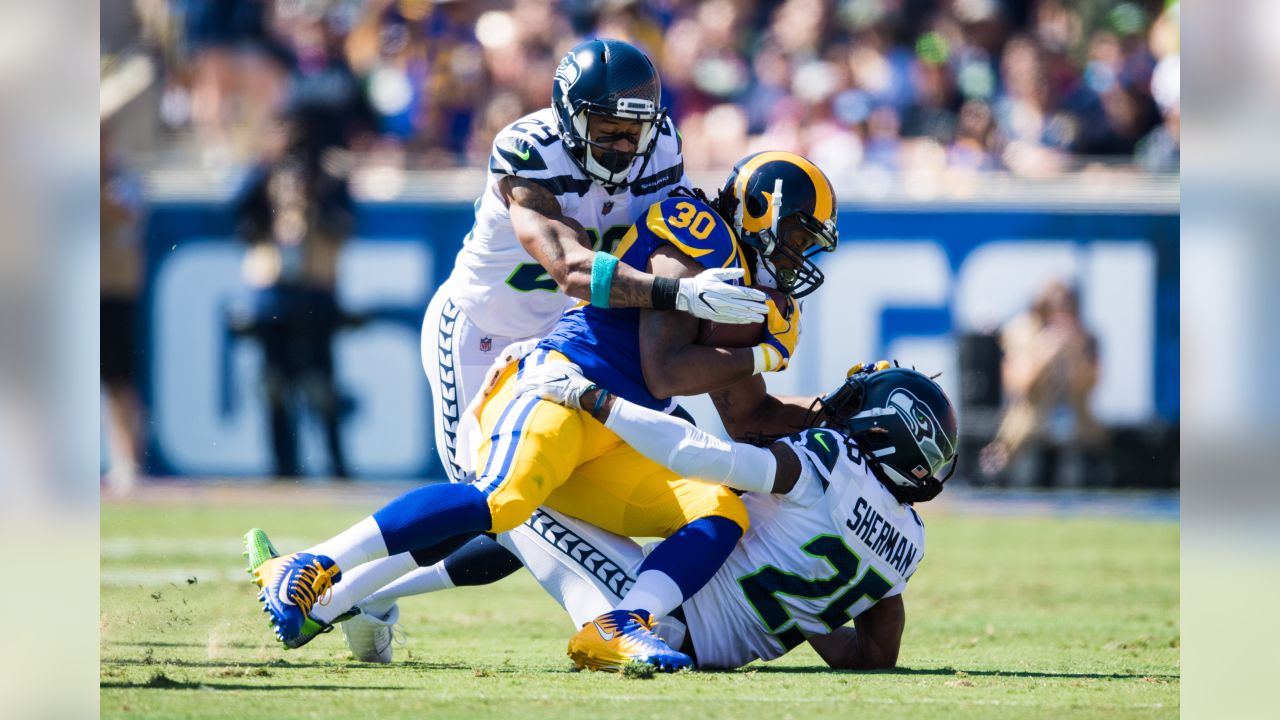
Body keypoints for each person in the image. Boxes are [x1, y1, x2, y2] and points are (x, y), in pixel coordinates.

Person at [245, 150, 839, 672]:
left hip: (617, 429)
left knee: (718, 508)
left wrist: (836, 412)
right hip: (563, 386)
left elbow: (747, 417)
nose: (798, 254)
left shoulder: (750, 287)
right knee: (501, 501)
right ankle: (315, 564)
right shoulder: (700, 229)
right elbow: (666, 370)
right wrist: (764, 351)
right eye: (796, 235)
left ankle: (619, 626)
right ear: (762, 211)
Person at [355, 361, 959, 670]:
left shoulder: (828, 461)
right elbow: (868, 657)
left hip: (643, 616)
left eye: (857, 407)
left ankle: (340, 590)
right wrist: (793, 610)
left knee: (524, 496)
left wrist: (591, 398)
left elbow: (703, 455)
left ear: (883, 434)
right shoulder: (907, 542)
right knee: (532, 528)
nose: (836, 413)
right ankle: (366, 603)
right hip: (700, 646)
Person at [979, 280, 1104, 487]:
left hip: (1074, 433)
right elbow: (1016, 384)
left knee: (1078, 478)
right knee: (1029, 479)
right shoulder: (1023, 334)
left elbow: (1092, 384)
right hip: (1030, 432)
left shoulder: (1085, 338)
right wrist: (1044, 355)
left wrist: (1074, 353)